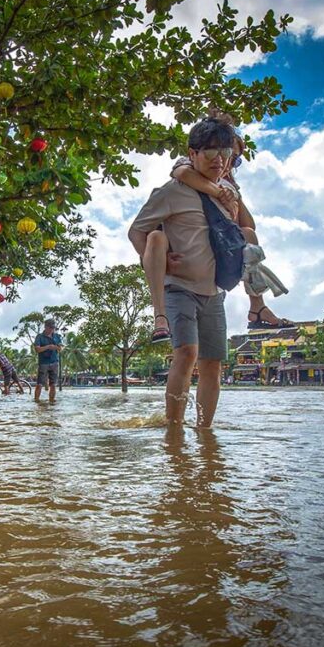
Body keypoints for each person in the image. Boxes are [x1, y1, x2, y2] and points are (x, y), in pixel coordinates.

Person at [143, 120, 292, 343]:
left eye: (234, 158)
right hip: (177, 258)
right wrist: (217, 189)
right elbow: (183, 171)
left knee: (249, 235)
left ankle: (257, 306)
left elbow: (248, 224)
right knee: (186, 352)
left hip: (210, 277)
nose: (227, 161)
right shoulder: (190, 169)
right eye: (219, 151)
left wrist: (231, 191)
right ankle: (160, 316)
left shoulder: (227, 181)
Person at [128, 117, 235, 427]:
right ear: (192, 154)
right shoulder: (169, 192)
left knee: (212, 363)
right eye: (210, 152)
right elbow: (137, 232)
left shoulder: (225, 192)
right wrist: (157, 263)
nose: (219, 159)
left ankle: (205, 431)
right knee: (186, 352)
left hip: (214, 292)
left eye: (225, 151)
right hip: (179, 287)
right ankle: (173, 431)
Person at [33, 318, 63, 402]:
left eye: (53, 328)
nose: (51, 330)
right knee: (39, 384)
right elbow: (37, 349)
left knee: (53, 384)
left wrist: (56, 347)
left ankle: (52, 402)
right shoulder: (39, 337)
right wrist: (48, 347)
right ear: (45, 327)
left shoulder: (57, 336)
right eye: (50, 328)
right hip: (43, 363)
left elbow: (61, 348)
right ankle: (36, 401)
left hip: (54, 362)